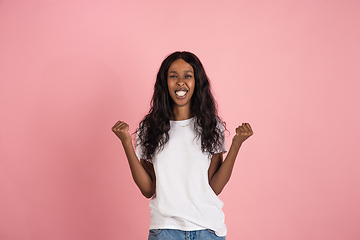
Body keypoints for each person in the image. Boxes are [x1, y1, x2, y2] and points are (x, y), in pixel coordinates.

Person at [112, 51, 253, 240]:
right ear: (165, 83)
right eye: (173, 76)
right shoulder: (150, 127)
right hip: (165, 230)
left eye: (187, 76)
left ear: (197, 82)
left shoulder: (211, 125)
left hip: (208, 229)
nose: (180, 82)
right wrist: (127, 144)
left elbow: (214, 187)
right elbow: (148, 189)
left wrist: (236, 145)